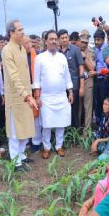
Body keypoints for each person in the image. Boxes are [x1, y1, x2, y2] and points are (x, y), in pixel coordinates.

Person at [1, 21, 37, 170]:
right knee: (15, 131)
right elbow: (14, 76)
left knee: (25, 128)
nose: (23, 32)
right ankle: (15, 162)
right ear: (11, 33)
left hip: (26, 94)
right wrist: (27, 96)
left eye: (23, 29)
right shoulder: (7, 50)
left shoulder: (22, 48)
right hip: (16, 97)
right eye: (19, 30)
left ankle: (21, 156)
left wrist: (29, 94)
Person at [33, 30, 73, 159]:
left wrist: (70, 92)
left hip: (61, 96)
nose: (54, 41)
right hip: (46, 98)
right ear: (45, 41)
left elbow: (67, 76)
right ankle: (46, 147)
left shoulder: (62, 57)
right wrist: (37, 97)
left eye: (56, 39)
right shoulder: (40, 58)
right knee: (46, 124)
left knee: (61, 123)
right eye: (51, 39)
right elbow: (37, 79)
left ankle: (59, 146)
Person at [58, 29, 84, 129]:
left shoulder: (75, 50)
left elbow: (81, 67)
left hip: (74, 85)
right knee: (63, 110)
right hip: (61, 87)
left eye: (66, 37)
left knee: (74, 110)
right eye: (62, 38)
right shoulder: (57, 51)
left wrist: (81, 86)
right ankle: (65, 131)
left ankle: (75, 132)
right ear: (59, 40)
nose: (64, 40)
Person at [22, 35, 42, 153]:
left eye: (30, 42)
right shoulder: (19, 56)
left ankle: (36, 142)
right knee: (25, 117)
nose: (29, 45)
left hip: (35, 89)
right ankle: (26, 141)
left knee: (35, 118)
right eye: (26, 43)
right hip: (23, 91)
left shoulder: (38, 55)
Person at [78, 30, 96, 129]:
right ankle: (76, 130)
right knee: (78, 108)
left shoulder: (90, 51)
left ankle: (86, 132)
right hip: (77, 81)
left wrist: (84, 58)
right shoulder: (74, 50)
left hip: (88, 80)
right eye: (82, 41)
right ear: (79, 40)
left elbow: (92, 68)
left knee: (88, 107)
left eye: (86, 42)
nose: (84, 44)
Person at [93, 29, 109, 125]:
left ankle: (105, 124)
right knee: (97, 103)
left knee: (104, 103)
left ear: (103, 40)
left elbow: (108, 69)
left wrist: (97, 72)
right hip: (97, 80)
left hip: (104, 80)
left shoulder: (106, 50)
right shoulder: (96, 49)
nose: (96, 42)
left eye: (98, 40)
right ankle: (98, 124)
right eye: (95, 40)